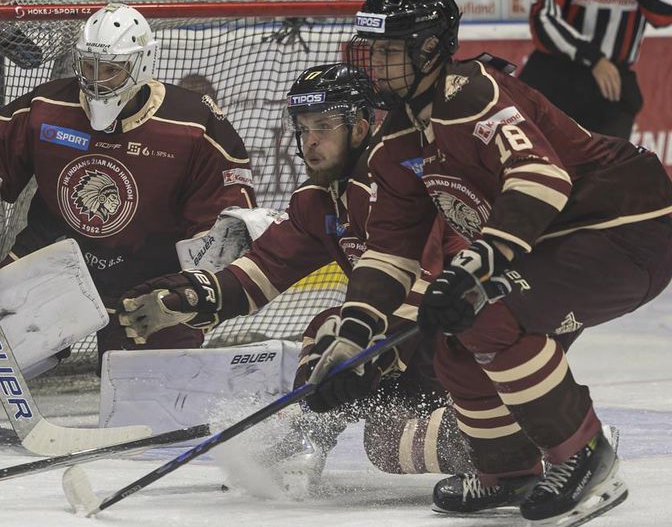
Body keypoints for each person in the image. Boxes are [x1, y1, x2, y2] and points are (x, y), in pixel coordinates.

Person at [308, 0, 672, 527]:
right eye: (372, 51)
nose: (375, 65)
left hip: (621, 233)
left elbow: (541, 179)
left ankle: (584, 457)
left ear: (431, 48)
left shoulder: (471, 93)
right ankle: (508, 471)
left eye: (389, 51)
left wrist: (472, 268)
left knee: (486, 314)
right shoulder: (400, 140)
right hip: (560, 243)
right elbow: (388, 254)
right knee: (454, 346)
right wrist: (350, 341)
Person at [116, 63, 473, 489]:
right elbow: (259, 272)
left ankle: (514, 442)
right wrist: (190, 298)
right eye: (303, 129)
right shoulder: (319, 201)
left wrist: (366, 359)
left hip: (464, 338)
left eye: (323, 126)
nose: (310, 143)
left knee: (337, 334)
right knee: (386, 440)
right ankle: (315, 436)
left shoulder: (400, 186)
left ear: (360, 128)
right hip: (411, 347)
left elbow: (421, 288)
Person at [0, 2, 257, 357]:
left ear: (142, 64)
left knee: (153, 402)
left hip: (152, 280)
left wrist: (190, 292)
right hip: (48, 261)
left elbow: (224, 213)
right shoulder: (50, 106)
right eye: (90, 66)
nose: (97, 81)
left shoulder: (193, 123)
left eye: (112, 70)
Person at [519, 0, 672, 139]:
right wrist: (593, 58)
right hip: (555, 75)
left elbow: (669, 11)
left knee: (607, 168)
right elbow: (542, 20)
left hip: (612, 84)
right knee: (535, 165)